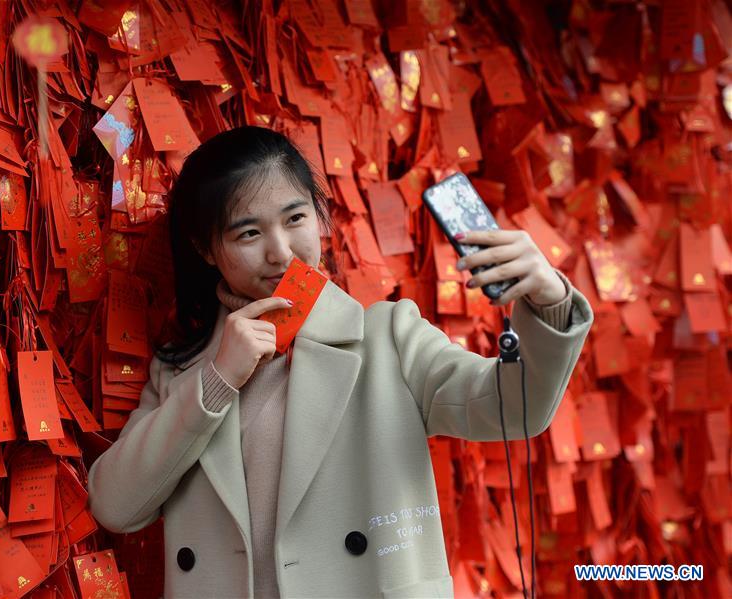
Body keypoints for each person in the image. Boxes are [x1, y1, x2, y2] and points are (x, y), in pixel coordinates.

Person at [87, 126, 594, 598]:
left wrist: (548, 301)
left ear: (321, 216)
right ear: (205, 248)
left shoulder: (386, 338)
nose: (281, 252)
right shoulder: (183, 372)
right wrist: (217, 380)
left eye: (295, 218)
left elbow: (514, 409)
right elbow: (116, 505)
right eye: (248, 234)